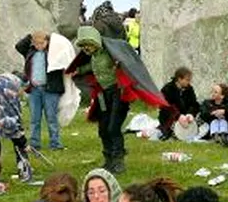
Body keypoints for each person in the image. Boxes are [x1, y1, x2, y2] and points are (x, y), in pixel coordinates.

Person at [68, 24, 167, 175]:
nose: (86, 49)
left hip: (118, 93)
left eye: (88, 44)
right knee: (103, 129)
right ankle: (108, 160)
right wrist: (78, 70)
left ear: (94, 41)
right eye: (83, 46)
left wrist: (120, 66)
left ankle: (118, 161)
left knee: (113, 127)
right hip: (104, 95)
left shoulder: (110, 52)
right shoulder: (93, 56)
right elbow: (90, 67)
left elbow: (126, 61)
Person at [15, 30, 66, 152]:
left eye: (41, 43)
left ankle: (55, 143)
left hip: (50, 89)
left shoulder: (53, 53)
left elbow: (64, 56)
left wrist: (50, 39)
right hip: (34, 89)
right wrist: (29, 36)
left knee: (51, 117)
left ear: (47, 42)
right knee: (34, 118)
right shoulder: (29, 51)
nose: (39, 46)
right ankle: (34, 144)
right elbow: (18, 46)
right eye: (36, 44)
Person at [159, 66, 201, 140]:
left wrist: (190, 114)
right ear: (179, 79)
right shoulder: (167, 89)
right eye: (187, 80)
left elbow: (194, 104)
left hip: (186, 117)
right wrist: (178, 116)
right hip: (170, 117)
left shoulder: (189, 89)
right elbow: (166, 106)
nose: (189, 82)